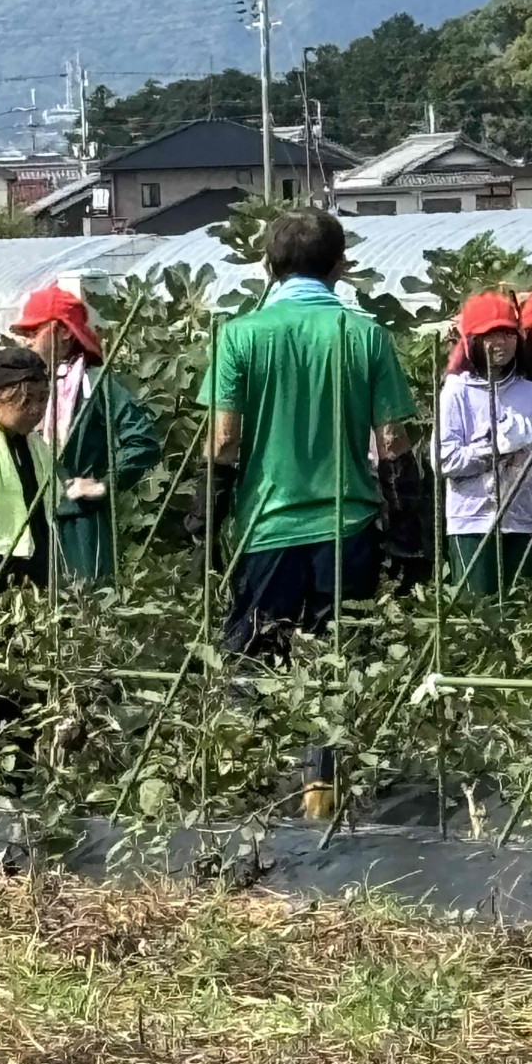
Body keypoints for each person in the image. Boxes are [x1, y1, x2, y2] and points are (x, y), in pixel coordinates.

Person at [188, 208, 424, 817]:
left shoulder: (241, 336)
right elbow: (392, 442)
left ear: (268, 265)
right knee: (336, 662)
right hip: (347, 526)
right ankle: (322, 786)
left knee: (251, 657)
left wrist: (205, 522)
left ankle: (246, 789)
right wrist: (407, 534)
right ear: (340, 266)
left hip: (267, 526)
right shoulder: (363, 335)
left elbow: (223, 441)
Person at [12, 285, 160, 582]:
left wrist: (104, 483)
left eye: (35, 331)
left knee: (84, 601)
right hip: (28, 520)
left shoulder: (95, 384)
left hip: (79, 523)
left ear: (64, 333)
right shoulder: (19, 389)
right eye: (25, 333)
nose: (27, 340)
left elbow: (143, 440)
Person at [436, 291, 532, 595]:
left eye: (508, 334)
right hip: (473, 522)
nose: (502, 343)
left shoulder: (529, 394)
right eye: (491, 335)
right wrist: (493, 450)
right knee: (478, 609)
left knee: (522, 607)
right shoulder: (457, 392)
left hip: (522, 521)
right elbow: (444, 460)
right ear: (473, 340)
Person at [0, 348, 51, 590]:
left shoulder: (34, 445)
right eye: (25, 401)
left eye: (42, 399)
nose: (37, 410)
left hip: (31, 566)